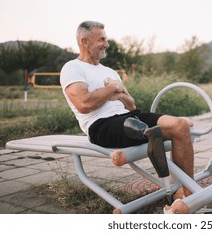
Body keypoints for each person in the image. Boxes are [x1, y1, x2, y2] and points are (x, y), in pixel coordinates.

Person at [60, 21, 194, 200]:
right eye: (101, 39)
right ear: (84, 41)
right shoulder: (72, 68)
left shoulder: (109, 71)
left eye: (106, 39)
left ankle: (189, 194)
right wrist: (111, 89)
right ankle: (171, 192)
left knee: (180, 125)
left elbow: (131, 105)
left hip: (128, 116)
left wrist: (119, 95)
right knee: (147, 129)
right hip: (100, 125)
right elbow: (83, 104)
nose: (107, 44)